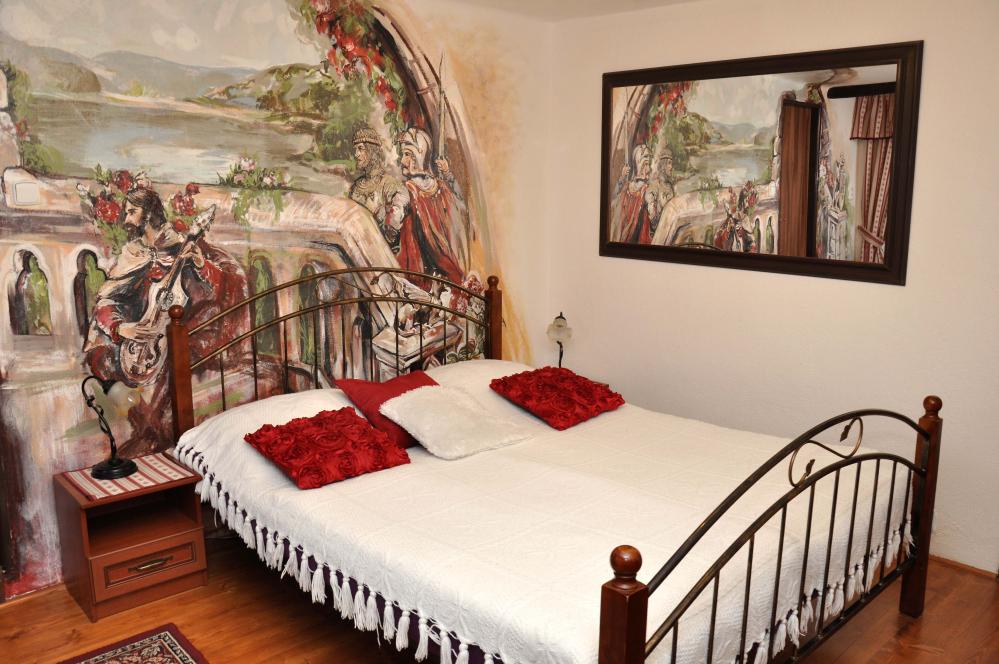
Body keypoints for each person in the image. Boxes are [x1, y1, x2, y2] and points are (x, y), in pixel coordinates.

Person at [84, 187, 247, 452]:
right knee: (99, 355)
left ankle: (154, 435)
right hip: (138, 324)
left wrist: (200, 263)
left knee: (176, 352)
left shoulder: (182, 244)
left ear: (148, 214)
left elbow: (223, 286)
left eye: (132, 212)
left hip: (178, 326)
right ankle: (147, 427)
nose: (126, 218)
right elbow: (108, 297)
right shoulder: (133, 251)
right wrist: (122, 328)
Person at [394, 127, 468, 289]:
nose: (402, 161)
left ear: (418, 156)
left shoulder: (409, 190)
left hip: (420, 274)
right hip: (441, 273)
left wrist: (448, 174)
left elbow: (461, 210)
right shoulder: (438, 186)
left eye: (407, 154)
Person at [348, 124, 408, 251]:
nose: (356, 154)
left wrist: (377, 213)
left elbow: (393, 234)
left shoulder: (390, 185)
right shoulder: (355, 187)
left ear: (372, 151)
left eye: (360, 149)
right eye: (355, 149)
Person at [614, 144, 654, 244]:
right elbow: (614, 199)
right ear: (636, 162)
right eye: (643, 157)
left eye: (648, 163)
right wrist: (622, 177)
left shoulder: (647, 189)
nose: (647, 167)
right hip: (622, 235)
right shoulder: (627, 185)